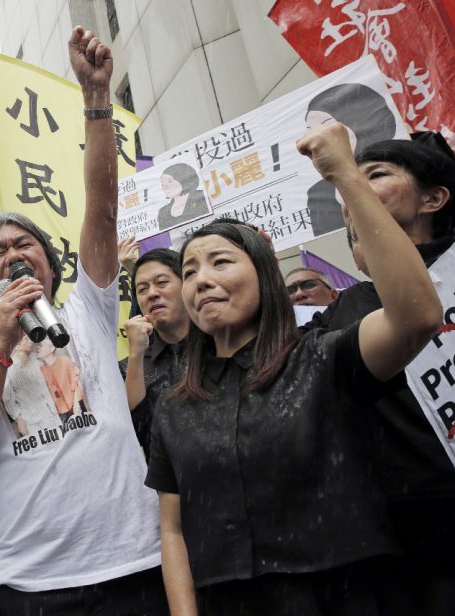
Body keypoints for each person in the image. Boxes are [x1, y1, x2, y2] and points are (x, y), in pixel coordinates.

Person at [147, 122, 442, 614]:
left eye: (221, 261)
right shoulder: (175, 405)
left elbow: (417, 316)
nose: (202, 280)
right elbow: (173, 529)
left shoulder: (324, 357)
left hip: (347, 596)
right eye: (190, 271)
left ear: (264, 275)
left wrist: (346, 176)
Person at [0, 27, 167, 615]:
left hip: (135, 561)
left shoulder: (87, 309)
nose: (13, 251)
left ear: (50, 260)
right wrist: (1, 344)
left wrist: (95, 98)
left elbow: (101, 204)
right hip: (37, 583)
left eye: (25, 243)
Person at [305, 135, 455, 615]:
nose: (353, 196)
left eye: (376, 176)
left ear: (433, 199)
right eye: (352, 185)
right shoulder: (342, 313)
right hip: (404, 534)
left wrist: (346, 171)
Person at [304, 83, 397, 236]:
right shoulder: (317, 194)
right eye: (310, 131)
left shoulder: (399, 171)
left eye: (326, 128)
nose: (315, 140)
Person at [120, 249, 190, 451]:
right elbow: (140, 432)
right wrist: (136, 355)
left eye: (162, 283)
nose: (152, 294)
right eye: (142, 289)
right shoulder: (132, 364)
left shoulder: (220, 341)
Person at [156, 163, 209, 231]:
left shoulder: (202, 196)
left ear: (184, 179)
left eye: (170, 181)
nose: (165, 187)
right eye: (163, 184)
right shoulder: (163, 212)